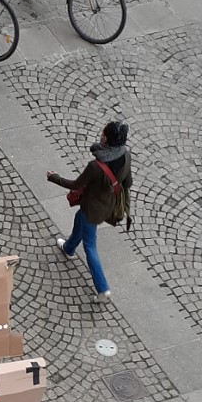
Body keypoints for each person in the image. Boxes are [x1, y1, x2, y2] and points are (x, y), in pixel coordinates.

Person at [47, 120, 132, 303]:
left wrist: (55, 178)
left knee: (90, 246)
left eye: (103, 133)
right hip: (108, 205)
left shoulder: (96, 166)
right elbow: (128, 182)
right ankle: (69, 248)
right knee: (79, 221)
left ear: (107, 138)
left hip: (92, 208)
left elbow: (76, 184)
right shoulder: (126, 154)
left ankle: (102, 289)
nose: (101, 134)